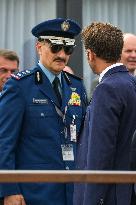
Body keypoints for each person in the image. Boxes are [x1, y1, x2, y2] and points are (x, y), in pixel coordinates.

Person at [0, 18, 88, 205]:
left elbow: (81, 139)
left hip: (71, 192)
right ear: (39, 47)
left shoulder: (76, 86)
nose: (62, 55)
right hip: (33, 193)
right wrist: (9, 190)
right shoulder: (19, 86)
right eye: (55, 47)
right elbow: (4, 142)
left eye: (68, 49)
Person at [73, 22, 136, 205]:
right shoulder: (130, 83)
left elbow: (100, 154)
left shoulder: (106, 89)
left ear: (90, 54)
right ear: (118, 51)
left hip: (109, 196)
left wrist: (92, 201)